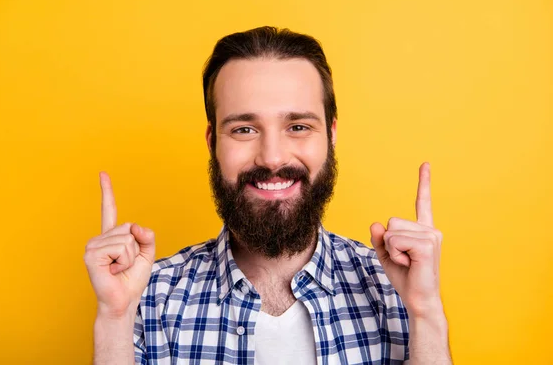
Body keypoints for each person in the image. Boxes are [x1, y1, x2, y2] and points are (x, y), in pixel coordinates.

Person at [84, 26, 452, 364]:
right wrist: (114, 320)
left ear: (331, 134)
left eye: (298, 126)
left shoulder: (398, 291)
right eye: (244, 129)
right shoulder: (148, 300)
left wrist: (426, 312)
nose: (273, 157)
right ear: (213, 142)